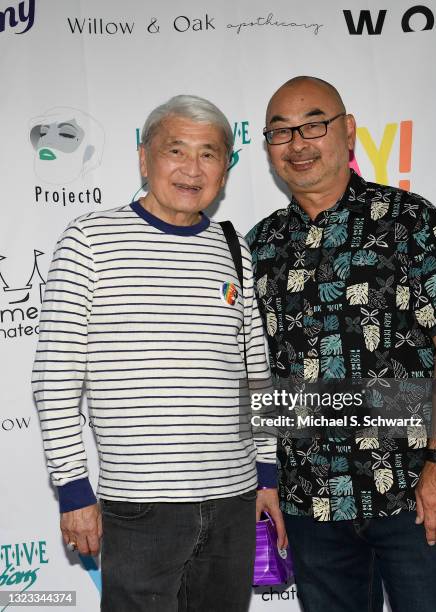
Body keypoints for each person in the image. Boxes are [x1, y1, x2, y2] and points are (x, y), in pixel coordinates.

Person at [32, 94, 285, 612]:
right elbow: (55, 377)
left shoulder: (233, 250)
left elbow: (255, 374)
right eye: (177, 151)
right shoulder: (89, 240)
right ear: (145, 158)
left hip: (234, 502)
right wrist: (75, 492)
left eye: (209, 154)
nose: (193, 169)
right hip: (140, 507)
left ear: (225, 168)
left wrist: (267, 476)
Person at [246, 76, 436, 612]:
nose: (298, 143)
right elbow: (256, 369)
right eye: (281, 132)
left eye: (314, 124)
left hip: (413, 494)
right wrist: (263, 480)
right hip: (309, 504)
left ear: (348, 131)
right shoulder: (258, 246)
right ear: (268, 147)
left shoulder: (409, 221)